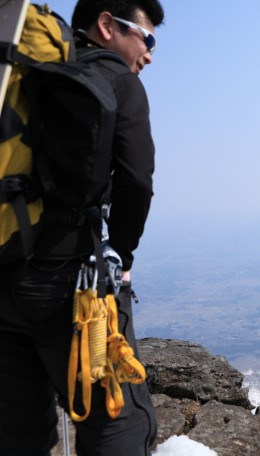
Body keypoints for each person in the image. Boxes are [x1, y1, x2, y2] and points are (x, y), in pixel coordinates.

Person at [0, 0, 164, 454]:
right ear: (107, 25)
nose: (150, 53)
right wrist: (121, 258)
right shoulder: (117, 81)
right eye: (146, 38)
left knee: (18, 431)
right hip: (74, 288)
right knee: (115, 416)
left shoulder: (21, 75)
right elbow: (136, 181)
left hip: (4, 274)